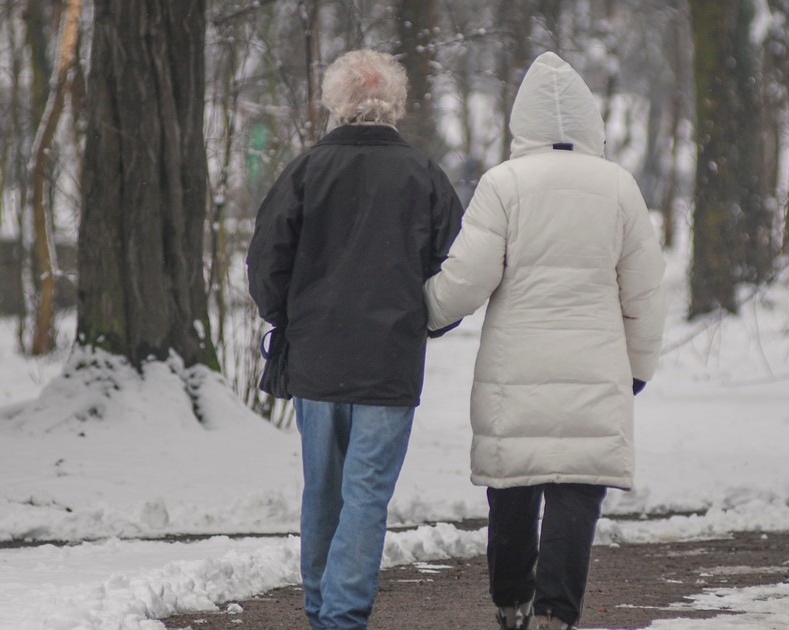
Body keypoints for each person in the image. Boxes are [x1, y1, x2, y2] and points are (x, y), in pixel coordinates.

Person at [424, 52, 666, 630]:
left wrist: (426, 312)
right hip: (594, 362)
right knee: (577, 488)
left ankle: (511, 601)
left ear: (522, 122)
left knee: (513, 482)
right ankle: (558, 611)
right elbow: (645, 290)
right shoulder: (618, 188)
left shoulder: (504, 184)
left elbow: (469, 275)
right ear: (590, 121)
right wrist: (639, 367)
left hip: (517, 366)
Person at [246, 49, 464, 630]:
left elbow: (267, 261)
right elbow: (454, 268)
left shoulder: (304, 171)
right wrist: (429, 320)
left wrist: (287, 318)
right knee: (365, 495)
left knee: (322, 491)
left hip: (317, 357)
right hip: (389, 363)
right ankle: (341, 616)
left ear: (334, 103)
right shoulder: (425, 177)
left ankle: (324, 610)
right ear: (396, 105)